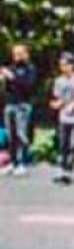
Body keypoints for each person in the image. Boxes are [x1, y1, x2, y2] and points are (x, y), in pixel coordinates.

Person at [50, 52, 74, 185]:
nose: (63, 68)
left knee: (73, 144)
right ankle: (61, 170)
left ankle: (68, 172)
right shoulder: (59, 81)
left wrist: (72, 106)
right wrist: (57, 104)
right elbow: (58, 98)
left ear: (72, 65)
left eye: (66, 65)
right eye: (61, 65)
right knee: (63, 145)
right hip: (64, 117)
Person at [1, 44, 37, 176]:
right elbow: (8, 88)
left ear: (26, 54)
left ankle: (22, 162)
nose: (17, 56)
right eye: (15, 54)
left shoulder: (30, 69)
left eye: (20, 53)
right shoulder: (11, 68)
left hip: (22, 105)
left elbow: (28, 86)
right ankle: (12, 162)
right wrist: (4, 79)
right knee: (10, 135)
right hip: (10, 104)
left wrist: (13, 77)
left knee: (21, 134)